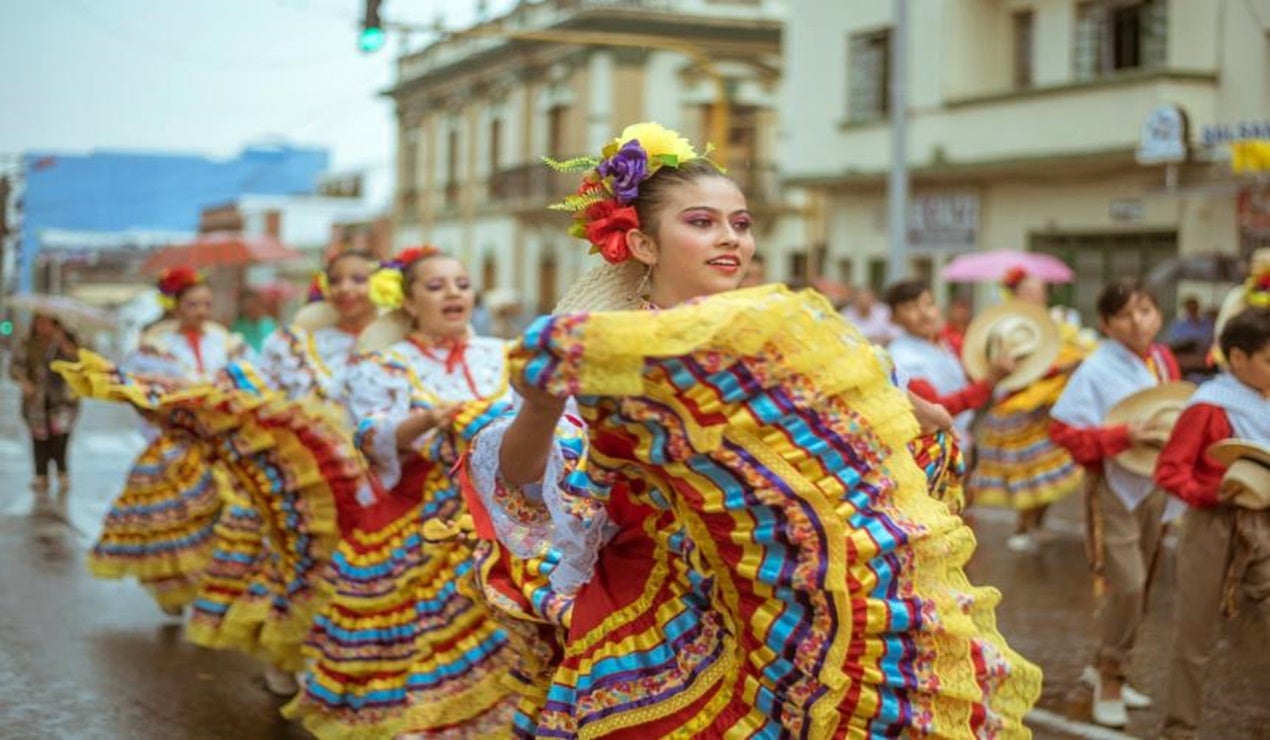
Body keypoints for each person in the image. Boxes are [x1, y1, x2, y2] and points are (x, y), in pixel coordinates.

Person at [463, 122, 1040, 736]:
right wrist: (543, 402)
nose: (730, 239)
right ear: (643, 244)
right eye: (702, 222)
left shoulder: (787, 348)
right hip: (650, 626)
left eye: (740, 224)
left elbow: (874, 454)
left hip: (777, 620)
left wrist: (895, 417)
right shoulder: (595, 350)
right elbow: (521, 476)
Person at [284, 246, 522, 737]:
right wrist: (428, 419)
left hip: (504, 518)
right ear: (410, 303)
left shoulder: (505, 354)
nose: (453, 294)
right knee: (422, 636)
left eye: (461, 284)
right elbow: (370, 435)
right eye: (436, 286)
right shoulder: (384, 365)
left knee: (510, 638)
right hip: (421, 521)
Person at [185, 249, 385, 696]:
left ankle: (354, 668)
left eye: (359, 278)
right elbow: (258, 396)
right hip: (308, 485)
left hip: (383, 483)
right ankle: (290, 654)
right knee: (306, 570)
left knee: (369, 576)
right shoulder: (294, 344)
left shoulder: (402, 342)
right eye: (338, 279)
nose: (347, 289)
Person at [1049, 278, 1180, 729]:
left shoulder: (1163, 360)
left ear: (1158, 315)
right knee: (1127, 584)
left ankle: (1109, 665)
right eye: (1124, 315)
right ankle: (1109, 677)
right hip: (1113, 485)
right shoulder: (1095, 369)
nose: (1137, 322)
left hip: (1156, 483)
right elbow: (1064, 432)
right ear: (1105, 323)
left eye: (1145, 311)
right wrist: (1123, 436)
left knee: (1142, 584)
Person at [88, 267, 252, 615]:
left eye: (206, 304)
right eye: (193, 304)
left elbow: (248, 382)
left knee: (226, 517)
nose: (201, 311)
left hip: (221, 442)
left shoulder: (225, 340)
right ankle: (175, 587)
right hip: (175, 444)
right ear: (175, 306)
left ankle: (215, 586)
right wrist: (164, 412)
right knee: (174, 522)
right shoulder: (155, 345)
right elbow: (137, 393)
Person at [1154, 306, 1270, 739]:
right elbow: (1170, 470)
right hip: (1211, 524)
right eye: (1269, 360)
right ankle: (1178, 728)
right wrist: (1211, 493)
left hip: (1264, 523)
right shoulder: (1208, 406)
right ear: (1237, 358)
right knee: (1195, 632)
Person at [969, 269, 1088, 553]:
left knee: (1051, 474)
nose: (1038, 295)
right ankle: (1023, 527)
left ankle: (1036, 525)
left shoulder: (1053, 321)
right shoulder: (1008, 327)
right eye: (1031, 291)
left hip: (1049, 408)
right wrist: (1059, 369)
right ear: (1015, 294)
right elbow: (1017, 369)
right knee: (1029, 476)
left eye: (1040, 290)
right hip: (1019, 410)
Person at [885, 279, 1015, 440]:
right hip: (932, 445)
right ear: (893, 318)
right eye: (911, 308)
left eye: (929, 304)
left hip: (960, 436)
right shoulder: (900, 357)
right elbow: (933, 411)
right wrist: (989, 381)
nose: (924, 314)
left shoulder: (945, 342)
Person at [10, 313, 80, 499]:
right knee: (39, 438)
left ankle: (62, 472)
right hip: (36, 400)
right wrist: (24, 382)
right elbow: (16, 367)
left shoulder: (66, 343)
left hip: (63, 400)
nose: (43, 327)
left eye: (48, 323)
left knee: (60, 438)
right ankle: (41, 474)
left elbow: (78, 361)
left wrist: (62, 340)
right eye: (40, 323)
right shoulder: (28, 344)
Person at [1166, 295, 1215, 380]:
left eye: (1194, 307)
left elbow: (1212, 342)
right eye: (1190, 308)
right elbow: (1171, 345)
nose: (1192, 310)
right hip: (1184, 364)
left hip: (1204, 363)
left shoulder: (1207, 324)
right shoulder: (1178, 325)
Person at [230, 288, 277, 353]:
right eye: (248, 307)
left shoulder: (269, 324)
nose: (252, 310)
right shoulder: (238, 326)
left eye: (254, 305)